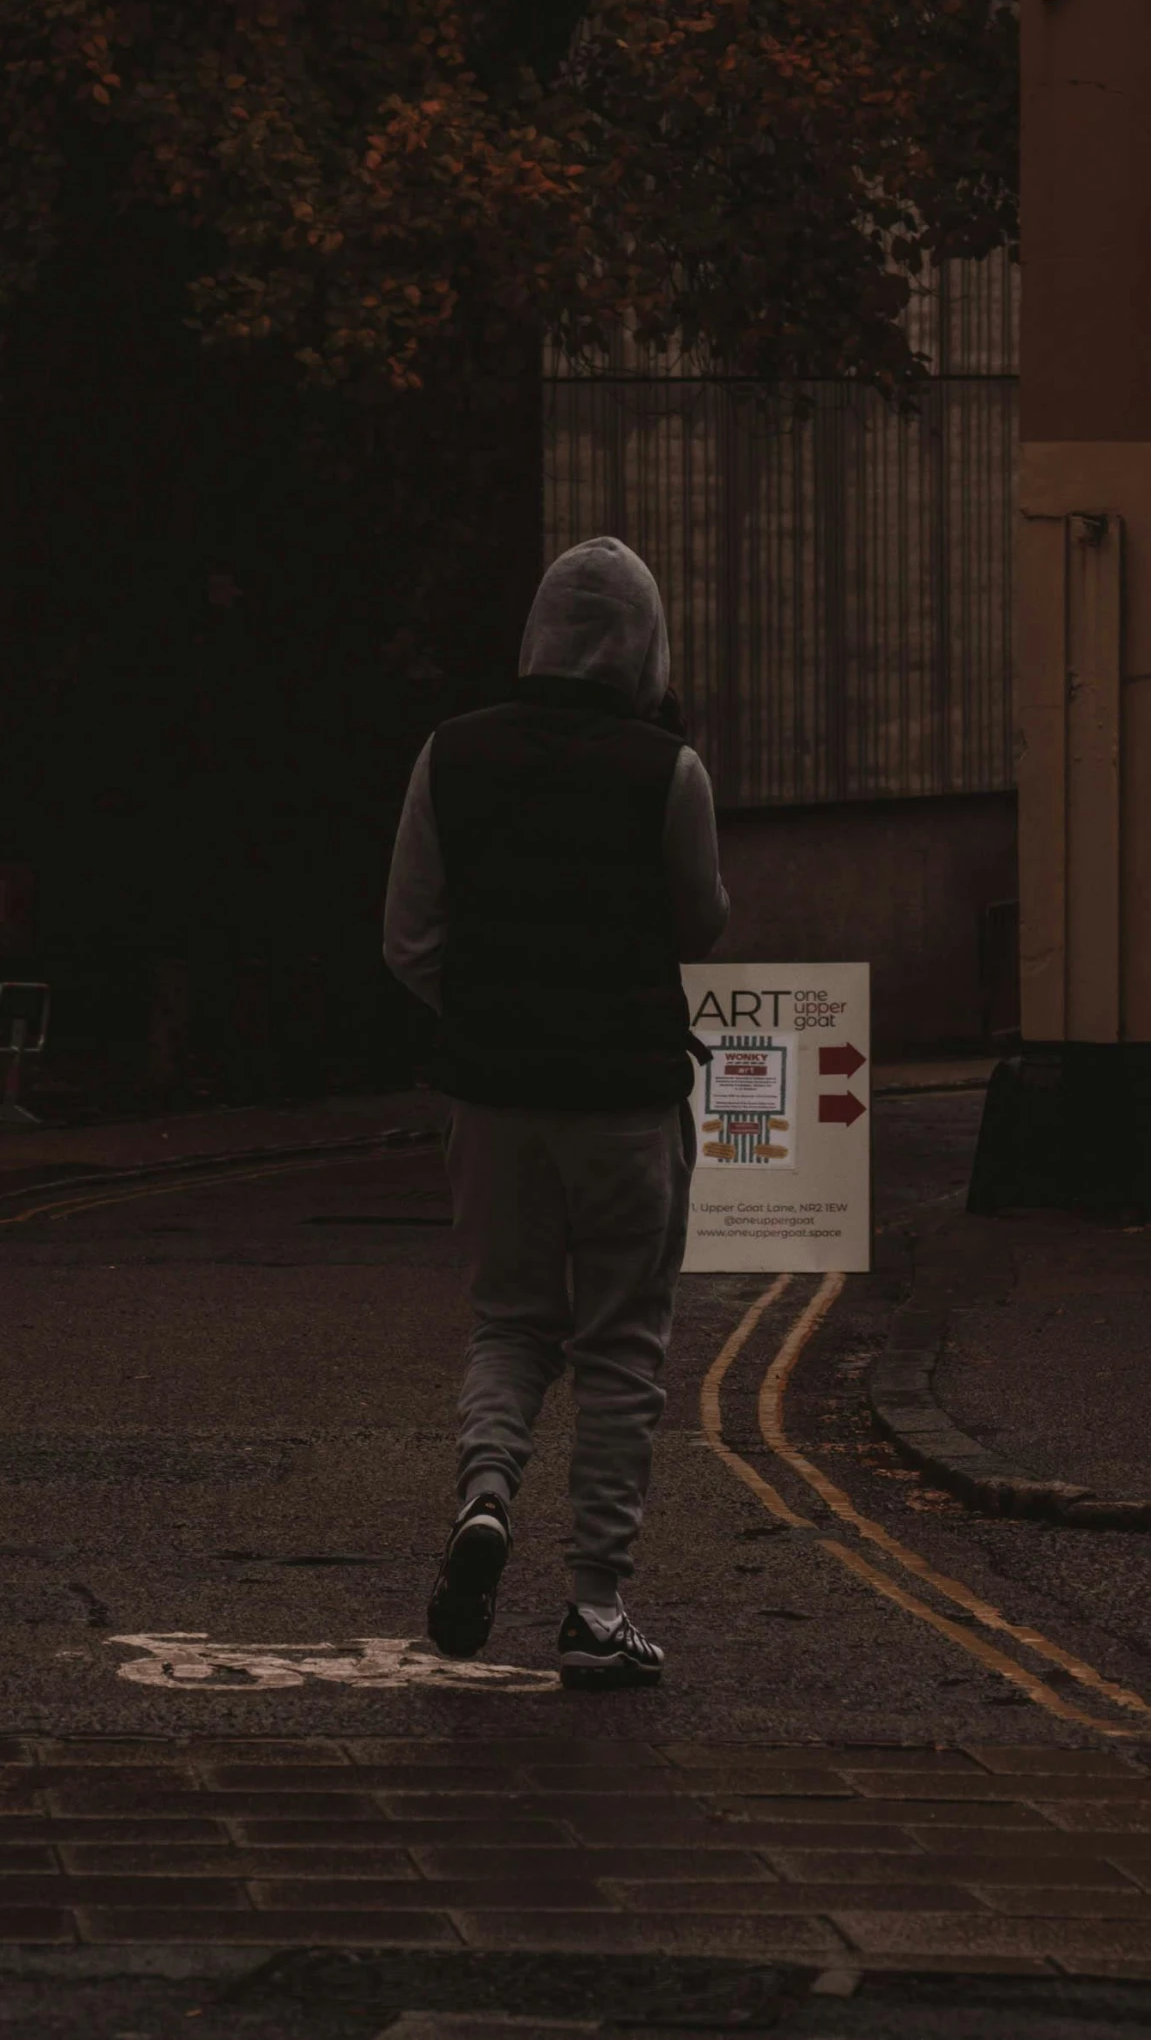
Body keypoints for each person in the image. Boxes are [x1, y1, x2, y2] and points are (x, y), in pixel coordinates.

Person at [383, 537, 729, 1689]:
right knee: (622, 1341)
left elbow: (409, 937)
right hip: (627, 1098)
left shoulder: (450, 754)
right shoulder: (665, 769)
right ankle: (593, 1601)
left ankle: (486, 1499)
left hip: (491, 1097)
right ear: (644, 644)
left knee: (509, 1320)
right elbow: (700, 925)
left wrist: (487, 1017)